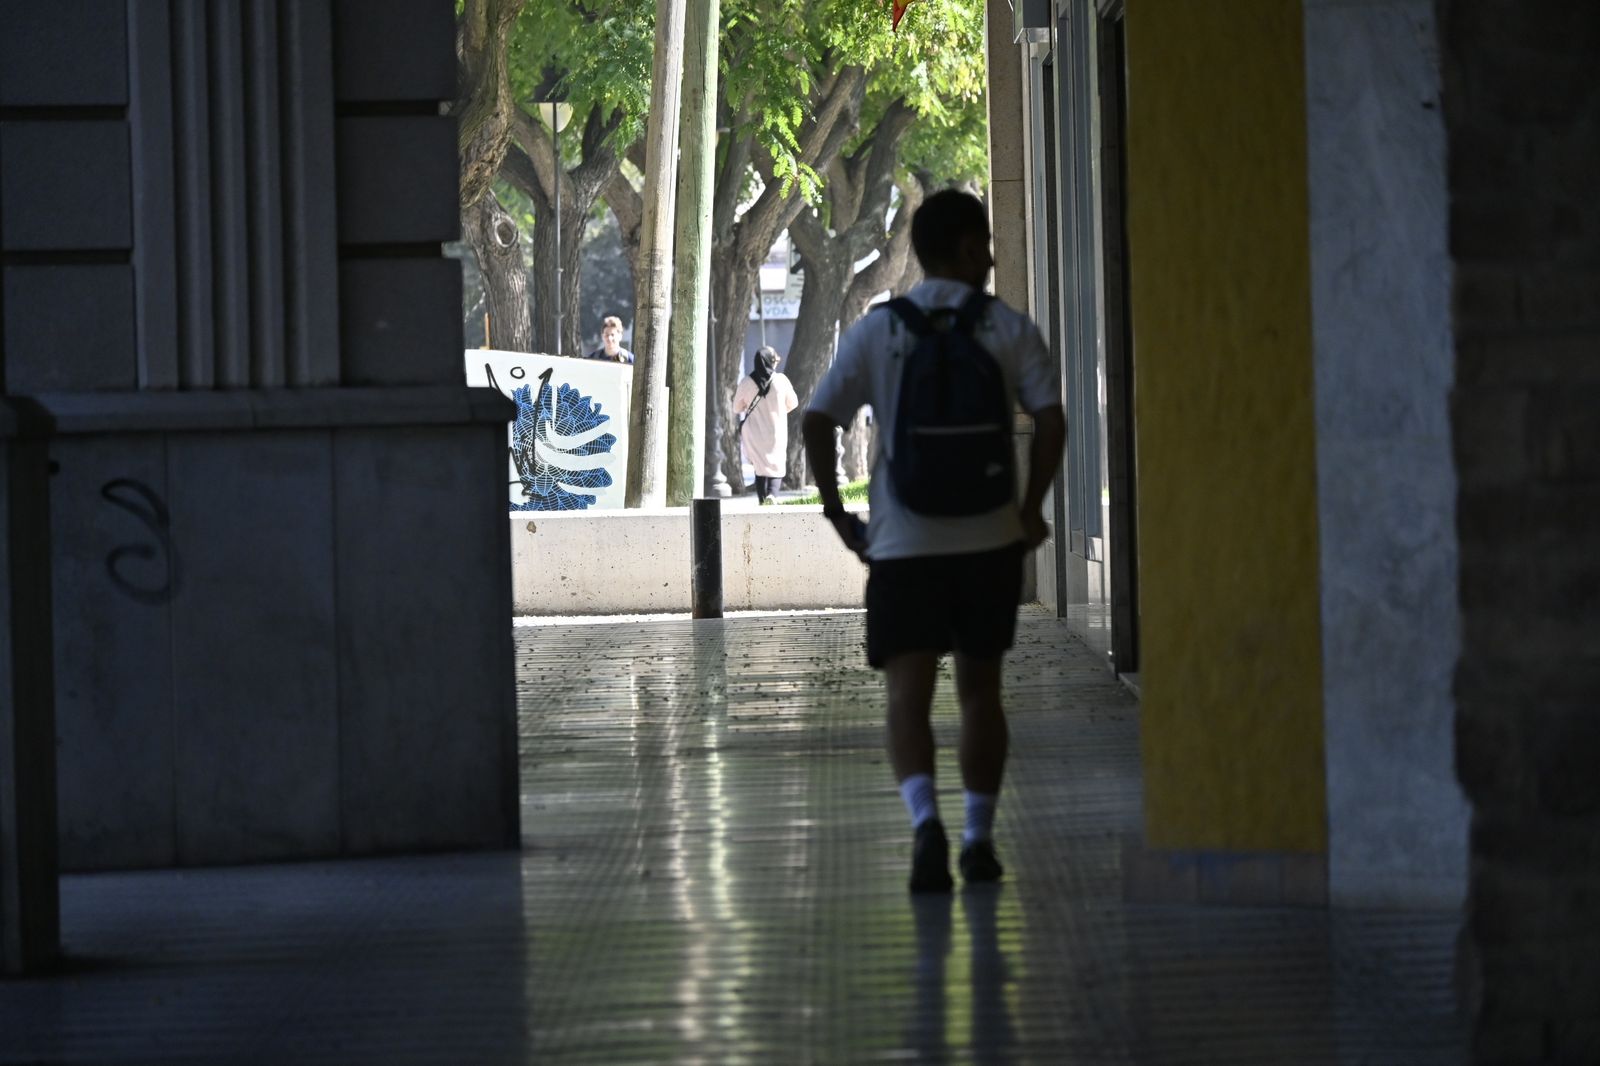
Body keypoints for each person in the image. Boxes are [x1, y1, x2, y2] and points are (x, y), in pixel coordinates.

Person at [801, 189, 1067, 893]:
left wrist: (838, 514)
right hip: (988, 543)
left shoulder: (878, 330)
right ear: (963, 247)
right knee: (982, 694)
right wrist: (1030, 509)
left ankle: (927, 829)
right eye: (984, 241)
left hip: (901, 547)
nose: (991, 253)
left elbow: (817, 418)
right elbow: (1052, 421)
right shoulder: (1007, 328)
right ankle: (979, 839)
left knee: (906, 701)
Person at [733, 346, 801, 504]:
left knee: (759, 465)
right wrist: (779, 410)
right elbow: (794, 403)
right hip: (776, 430)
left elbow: (736, 408)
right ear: (771, 362)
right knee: (776, 463)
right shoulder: (781, 381)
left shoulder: (746, 382)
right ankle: (772, 495)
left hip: (753, 432)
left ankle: (762, 499)